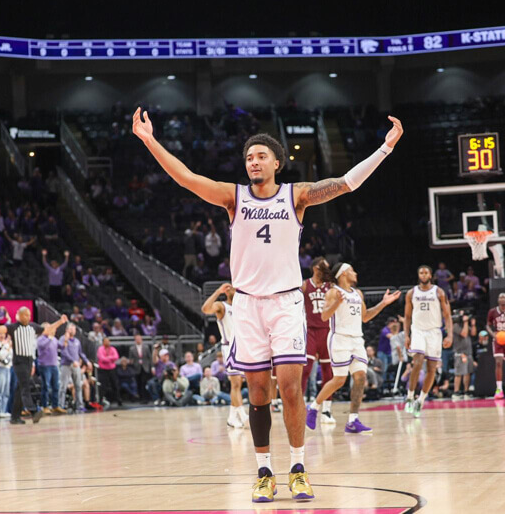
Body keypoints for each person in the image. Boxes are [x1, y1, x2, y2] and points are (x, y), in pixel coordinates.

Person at [133, 104, 403, 502]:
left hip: (286, 304)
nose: (253, 161)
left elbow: (346, 183)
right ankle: (263, 471)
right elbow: (187, 178)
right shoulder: (233, 197)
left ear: (277, 161)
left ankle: (297, 467)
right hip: (247, 306)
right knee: (258, 392)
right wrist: (149, 140)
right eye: (248, 157)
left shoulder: (297, 196)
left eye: (260, 156)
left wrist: (384, 149)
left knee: (291, 387)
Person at [307, 262, 400, 433]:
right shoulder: (333, 292)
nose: (355, 273)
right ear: (343, 274)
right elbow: (324, 316)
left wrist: (383, 304)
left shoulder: (358, 294)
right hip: (340, 338)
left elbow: (365, 317)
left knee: (360, 377)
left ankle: (353, 420)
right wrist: (336, 304)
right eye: (351, 270)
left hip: (357, 340)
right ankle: (313, 407)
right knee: (339, 380)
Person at [403, 266, 453, 418]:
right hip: (418, 330)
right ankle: (410, 396)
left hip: (434, 332)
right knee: (417, 362)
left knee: (431, 369)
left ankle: (421, 400)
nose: (423, 275)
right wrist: (406, 335)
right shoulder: (411, 293)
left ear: (431, 275)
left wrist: (449, 335)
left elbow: (447, 315)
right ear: (418, 275)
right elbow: (407, 316)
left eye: (426, 272)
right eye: (421, 273)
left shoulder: (439, 292)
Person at [7, 308, 67, 424]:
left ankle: (14, 417)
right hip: (19, 361)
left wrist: (60, 322)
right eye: (26, 315)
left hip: (29, 360)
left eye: (29, 315)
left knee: (20, 388)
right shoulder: (14, 327)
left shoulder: (33, 327)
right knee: (26, 386)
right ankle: (33, 411)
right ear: (19, 316)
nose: (28, 317)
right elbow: (0, 329)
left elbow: (48, 329)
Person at [201, 282, 247, 428]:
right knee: (235, 384)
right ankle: (243, 415)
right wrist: (217, 292)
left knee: (239, 384)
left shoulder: (242, 307)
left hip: (243, 348)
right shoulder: (222, 306)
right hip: (229, 348)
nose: (236, 290)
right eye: (233, 288)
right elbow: (205, 309)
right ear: (227, 291)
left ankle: (232, 417)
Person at [300, 257, 336, 423]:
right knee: (305, 369)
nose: (327, 271)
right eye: (324, 267)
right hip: (311, 331)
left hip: (327, 331)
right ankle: (298, 405)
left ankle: (326, 410)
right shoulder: (305, 284)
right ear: (315, 268)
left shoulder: (331, 287)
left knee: (328, 371)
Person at [60, 323, 91, 411]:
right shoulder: (63, 339)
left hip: (76, 365)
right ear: (67, 330)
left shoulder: (77, 341)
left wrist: (87, 361)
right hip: (66, 365)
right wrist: (72, 360)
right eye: (72, 329)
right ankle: (61, 405)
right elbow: (63, 352)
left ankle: (80, 406)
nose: (74, 331)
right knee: (63, 386)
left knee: (78, 385)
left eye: (74, 329)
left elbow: (81, 353)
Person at [37, 323, 63, 415]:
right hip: (45, 366)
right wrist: (50, 338)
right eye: (49, 328)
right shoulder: (40, 339)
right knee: (46, 386)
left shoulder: (54, 339)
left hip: (54, 365)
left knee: (56, 386)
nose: (51, 329)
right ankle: (45, 406)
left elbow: (61, 346)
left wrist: (65, 341)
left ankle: (55, 405)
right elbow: (43, 346)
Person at [451, 312, 473, 400]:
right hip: (460, 353)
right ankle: (456, 392)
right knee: (459, 373)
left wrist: (473, 324)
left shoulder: (464, 325)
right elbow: (464, 334)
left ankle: (466, 391)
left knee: (467, 373)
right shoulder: (455, 326)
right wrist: (466, 322)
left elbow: (473, 333)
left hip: (468, 353)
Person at [96, 337, 121, 407]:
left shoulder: (112, 349)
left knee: (115, 385)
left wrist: (107, 358)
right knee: (103, 386)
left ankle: (119, 400)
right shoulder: (100, 349)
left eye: (108, 341)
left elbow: (116, 357)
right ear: (103, 342)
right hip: (103, 370)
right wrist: (110, 358)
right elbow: (102, 358)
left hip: (112, 369)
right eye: (106, 341)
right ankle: (100, 401)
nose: (107, 342)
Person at [127, 334, 152, 402]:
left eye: (139, 339)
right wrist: (131, 361)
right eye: (137, 339)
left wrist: (151, 367)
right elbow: (130, 358)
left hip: (145, 367)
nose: (138, 340)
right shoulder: (132, 348)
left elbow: (150, 357)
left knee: (144, 382)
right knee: (138, 383)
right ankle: (141, 398)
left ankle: (145, 398)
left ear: (141, 339)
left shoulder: (146, 347)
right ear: (135, 340)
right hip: (137, 368)